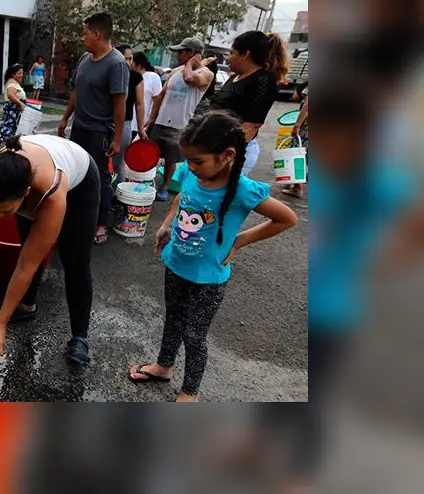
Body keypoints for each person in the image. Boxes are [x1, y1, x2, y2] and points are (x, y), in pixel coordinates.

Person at [127, 111, 297, 401]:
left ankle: (190, 392)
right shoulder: (195, 174)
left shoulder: (243, 189)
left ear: (227, 155)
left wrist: (239, 241)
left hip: (209, 278)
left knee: (195, 336)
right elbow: (182, 197)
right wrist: (166, 224)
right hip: (176, 264)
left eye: (198, 161)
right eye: (189, 160)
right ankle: (164, 366)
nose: (191, 167)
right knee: (173, 320)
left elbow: (287, 218)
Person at [0, 134, 100, 365]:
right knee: (27, 246)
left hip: (80, 183)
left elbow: (27, 266)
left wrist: (1, 321)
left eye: (4, 212)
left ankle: (80, 337)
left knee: (75, 260)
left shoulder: (50, 194)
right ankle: (26, 305)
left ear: (25, 193)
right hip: (23, 181)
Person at [58, 12, 130, 245]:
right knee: (75, 172)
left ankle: (100, 223)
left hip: (100, 132)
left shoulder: (117, 63)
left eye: (85, 33)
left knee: (99, 178)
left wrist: (117, 139)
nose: (82, 37)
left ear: (97, 34)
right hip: (79, 128)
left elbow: (120, 106)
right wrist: (65, 118)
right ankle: (76, 217)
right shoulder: (84, 59)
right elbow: (76, 91)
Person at [197, 30, 289, 175]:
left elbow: (251, 126)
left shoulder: (262, 81)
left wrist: (226, 159)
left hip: (230, 152)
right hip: (212, 145)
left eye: (232, 53)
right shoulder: (235, 77)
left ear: (246, 54)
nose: (228, 58)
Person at [143, 36, 216, 202]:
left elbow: (190, 80)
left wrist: (190, 64)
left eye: (181, 52)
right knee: (151, 155)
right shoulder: (175, 71)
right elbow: (162, 95)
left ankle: (164, 187)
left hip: (179, 124)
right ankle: (148, 182)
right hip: (161, 121)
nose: (177, 55)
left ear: (192, 53)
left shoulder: (206, 74)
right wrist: (152, 118)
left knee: (171, 158)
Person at [113, 44, 147, 185]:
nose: (128, 62)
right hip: (105, 122)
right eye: (125, 58)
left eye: (130, 58)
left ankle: (116, 195)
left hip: (125, 125)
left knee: (118, 163)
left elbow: (140, 104)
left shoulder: (136, 77)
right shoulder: (112, 73)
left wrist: (140, 129)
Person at [0, 64, 28, 149]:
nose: (21, 75)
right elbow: (10, 95)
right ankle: (7, 144)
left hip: (13, 108)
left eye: (22, 73)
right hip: (13, 108)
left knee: (8, 124)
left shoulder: (12, 81)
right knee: (10, 125)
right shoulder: (12, 83)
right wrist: (20, 103)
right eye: (19, 73)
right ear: (13, 74)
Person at [283, 84, 309, 198]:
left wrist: (297, 125)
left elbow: (308, 106)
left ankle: (297, 188)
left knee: (297, 155)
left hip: (306, 129)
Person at [132, 51, 163, 138]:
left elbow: (157, 100)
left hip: (143, 125)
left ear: (138, 64)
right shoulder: (129, 76)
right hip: (128, 124)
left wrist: (150, 119)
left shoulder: (153, 77)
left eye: (131, 61)